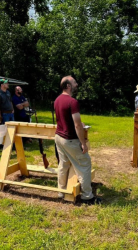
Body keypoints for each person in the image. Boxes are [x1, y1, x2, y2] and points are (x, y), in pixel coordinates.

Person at [54, 75, 101, 205]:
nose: (77, 84)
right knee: (84, 164)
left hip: (58, 137)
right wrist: (83, 143)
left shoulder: (57, 100)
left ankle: (61, 191)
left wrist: (79, 123)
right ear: (68, 86)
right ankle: (87, 197)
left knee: (63, 164)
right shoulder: (72, 102)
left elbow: (65, 119)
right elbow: (76, 125)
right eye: (74, 82)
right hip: (69, 140)